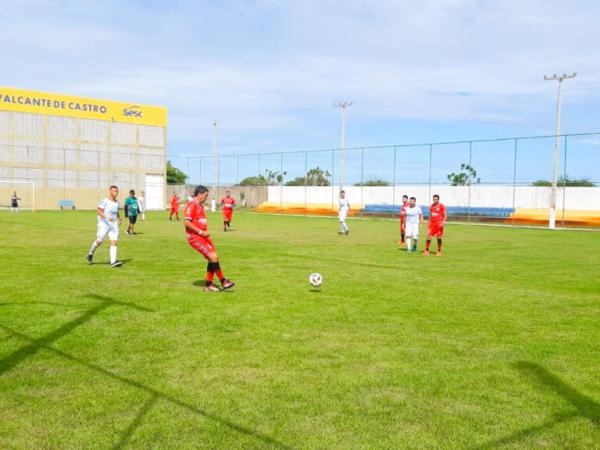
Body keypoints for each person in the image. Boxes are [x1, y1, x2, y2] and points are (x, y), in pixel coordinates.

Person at [185, 185, 235, 292]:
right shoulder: (192, 205)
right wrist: (201, 232)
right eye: (205, 195)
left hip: (203, 237)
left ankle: (208, 285)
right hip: (196, 238)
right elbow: (187, 222)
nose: (206, 198)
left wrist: (204, 233)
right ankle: (223, 281)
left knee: (213, 258)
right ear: (199, 194)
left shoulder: (200, 206)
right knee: (213, 257)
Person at [87, 185, 122, 267]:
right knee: (99, 241)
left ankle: (113, 262)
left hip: (113, 224)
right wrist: (106, 217)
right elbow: (99, 211)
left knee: (114, 241)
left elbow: (116, 211)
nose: (116, 193)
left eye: (117, 191)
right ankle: (90, 254)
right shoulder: (105, 201)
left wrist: (119, 217)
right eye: (114, 191)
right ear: (110, 191)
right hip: (104, 224)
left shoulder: (117, 202)